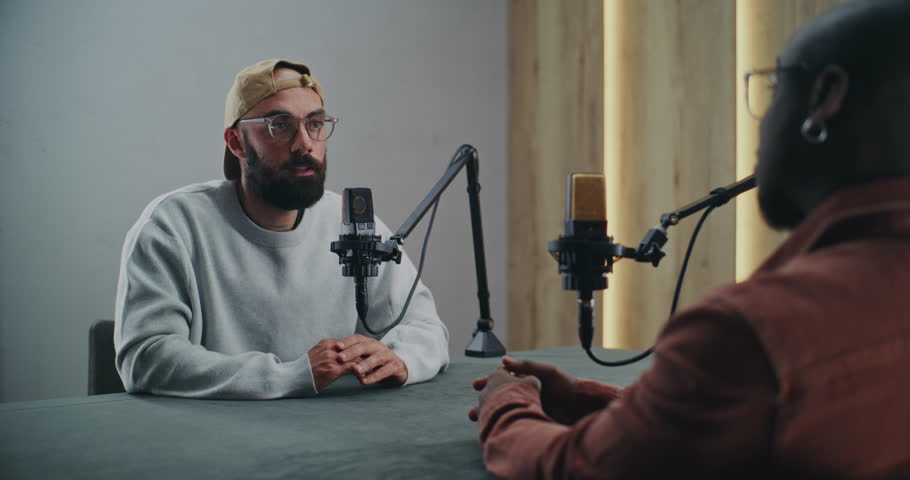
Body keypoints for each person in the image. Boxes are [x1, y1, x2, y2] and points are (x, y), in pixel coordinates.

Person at [470, 0, 910, 478]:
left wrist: (507, 403)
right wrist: (585, 398)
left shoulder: (749, 331)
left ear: (826, 97)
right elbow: (744, 420)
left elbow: (575, 468)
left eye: (775, 87)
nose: (761, 124)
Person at [114, 59, 449, 399]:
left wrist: (401, 359)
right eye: (280, 125)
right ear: (237, 142)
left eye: (315, 123)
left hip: (339, 436)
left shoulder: (350, 222)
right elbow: (146, 357)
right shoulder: (173, 227)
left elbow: (427, 328)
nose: (304, 143)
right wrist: (292, 375)